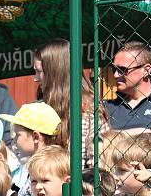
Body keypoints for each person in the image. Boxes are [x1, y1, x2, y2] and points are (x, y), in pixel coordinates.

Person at [34, 39, 105, 168]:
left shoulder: (85, 108)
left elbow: (80, 162)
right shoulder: (43, 103)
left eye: (39, 72)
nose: (35, 78)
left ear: (55, 72)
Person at [105, 42, 151, 130]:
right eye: (114, 69)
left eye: (122, 69)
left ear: (146, 70)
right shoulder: (108, 105)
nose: (115, 75)